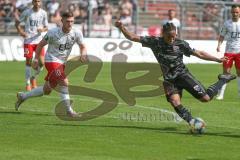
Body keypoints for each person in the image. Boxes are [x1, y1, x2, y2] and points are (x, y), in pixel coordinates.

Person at [115, 21, 236, 125]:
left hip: (183, 75)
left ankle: (223, 79)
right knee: (175, 102)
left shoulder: (180, 44)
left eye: (174, 36)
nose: (172, 39)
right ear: (163, 34)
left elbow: (199, 53)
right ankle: (192, 122)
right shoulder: (155, 42)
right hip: (169, 80)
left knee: (206, 98)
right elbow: (132, 37)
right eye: (169, 37)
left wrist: (216, 59)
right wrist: (122, 28)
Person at [15, 11, 88, 117]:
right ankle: (69, 111)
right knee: (64, 82)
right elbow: (40, 45)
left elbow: (83, 46)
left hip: (62, 63)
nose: (70, 24)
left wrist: (83, 54)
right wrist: (36, 59)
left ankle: (23, 96)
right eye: (68, 21)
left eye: (72, 21)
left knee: (47, 89)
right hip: (51, 60)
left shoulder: (77, 33)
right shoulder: (53, 32)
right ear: (62, 21)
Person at [15, 0, 48, 91]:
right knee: (29, 62)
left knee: (42, 63)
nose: (37, 3)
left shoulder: (44, 13)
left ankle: (33, 77)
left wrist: (42, 29)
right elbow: (17, 23)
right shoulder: (27, 12)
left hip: (39, 41)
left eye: (39, 1)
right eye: (35, 1)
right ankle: (27, 83)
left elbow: (47, 27)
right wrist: (21, 32)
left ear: (40, 2)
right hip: (29, 41)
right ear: (32, 3)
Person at [216, 5, 240, 100]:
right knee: (226, 73)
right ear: (231, 12)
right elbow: (222, 36)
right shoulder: (227, 23)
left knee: (239, 73)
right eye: (233, 12)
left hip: (239, 52)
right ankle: (221, 94)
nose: (235, 14)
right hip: (229, 52)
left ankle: (239, 94)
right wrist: (218, 45)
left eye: (237, 12)